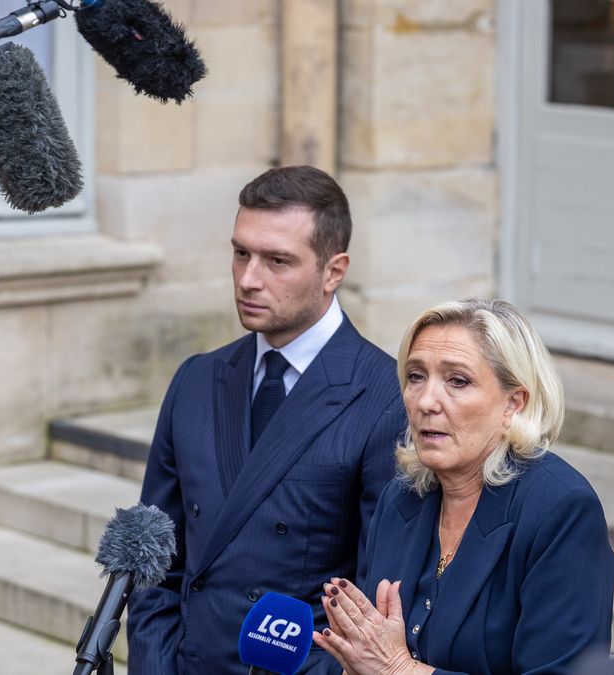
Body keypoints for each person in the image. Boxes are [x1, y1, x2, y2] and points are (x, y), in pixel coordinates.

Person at [126, 165, 406, 674]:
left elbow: (374, 602)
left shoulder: (386, 397)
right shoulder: (195, 379)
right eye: (240, 254)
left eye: (278, 261)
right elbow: (155, 565)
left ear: (333, 270)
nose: (249, 280)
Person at [312, 299, 614, 675]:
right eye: (416, 376)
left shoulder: (561, 509)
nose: (425, 401)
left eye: (457, 381)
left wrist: (399, 670)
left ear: (514, 404)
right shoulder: (402, 497)